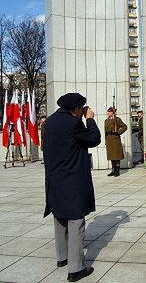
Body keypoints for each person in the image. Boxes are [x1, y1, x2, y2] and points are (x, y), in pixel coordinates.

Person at [43, 93, 101, 282]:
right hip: (72, 179)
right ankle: (76, 270)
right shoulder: (73, 123)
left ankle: (63, 257)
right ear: (76, 109)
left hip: (54, 178)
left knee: (60, 216)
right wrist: (90, 119)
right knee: (76, 221)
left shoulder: (50, 122)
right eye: (81, 108)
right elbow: (94, 139)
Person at [104, 107, 128, 177]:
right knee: (111, 156)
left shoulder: (117, 119)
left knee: (116, 156)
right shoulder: (106, 121)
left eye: (109, 112)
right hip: (109, 140)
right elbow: (105, 132)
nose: (107, 113)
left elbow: (124, 127)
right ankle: (113, 170)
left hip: (115, 139)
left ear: (112, 112)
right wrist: (105, 140)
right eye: (107, 112)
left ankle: (117, 171)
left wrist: (118, 132)